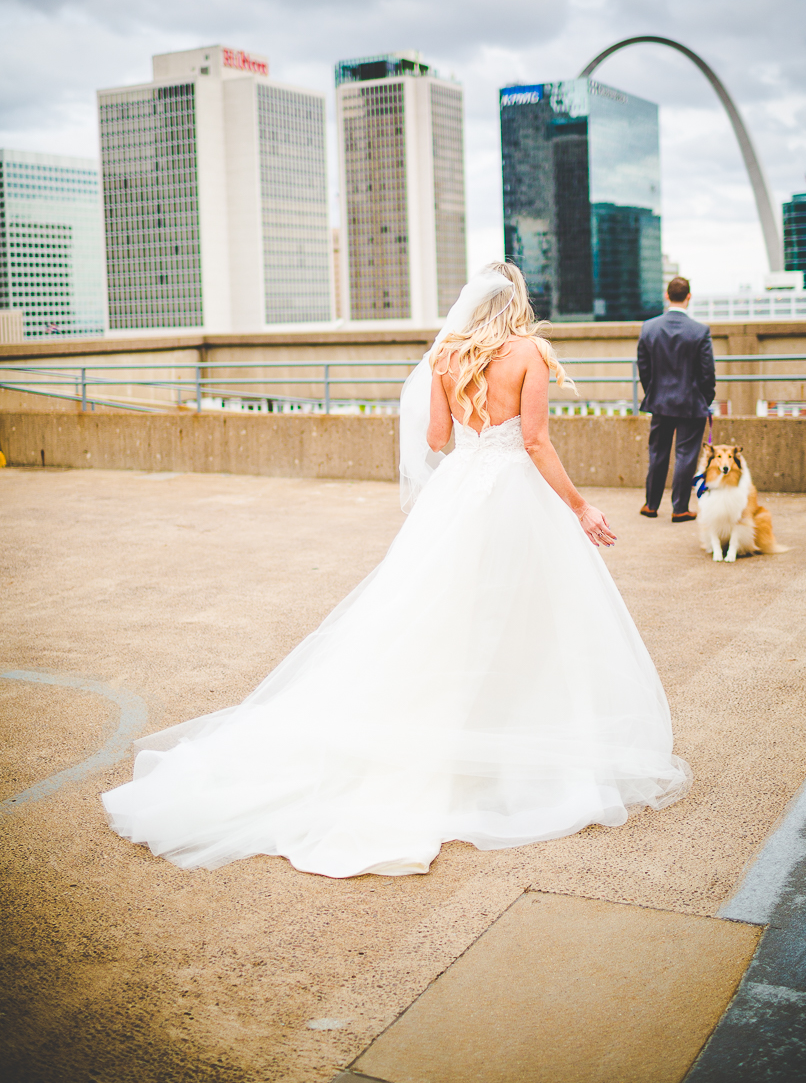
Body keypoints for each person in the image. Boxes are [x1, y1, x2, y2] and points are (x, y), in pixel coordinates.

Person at [102, 262, 691, 879]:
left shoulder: (445, 358)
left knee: (437, 614)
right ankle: (510, 733)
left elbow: (436, 439)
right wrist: (580, 506)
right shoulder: (529, 353)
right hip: (515, 496)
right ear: (518, 301)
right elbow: (537, 442)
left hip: (460, 493)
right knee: (530, 615)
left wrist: (469, 420)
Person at [636, 275, 716, 522]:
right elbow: (707, 372)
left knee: (658, 453)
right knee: (686, 455)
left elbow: (644, 367)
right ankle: (680, 508)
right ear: (688, 297)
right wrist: (705, 397)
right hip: (691, 403)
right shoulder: (700, 331)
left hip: (659, 401)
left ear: (667, 296)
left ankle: (651, 505)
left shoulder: (649, 328)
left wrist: (653, 391)